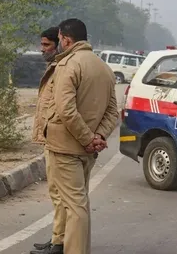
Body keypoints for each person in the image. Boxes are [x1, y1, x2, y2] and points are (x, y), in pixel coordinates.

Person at [41, 18, 119, 254]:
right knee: (78, 202)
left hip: (66, 147)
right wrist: (97, 136)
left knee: (74, 205)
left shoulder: (68, 65)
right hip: (87, 150)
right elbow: (112, 111)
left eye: (60, 40)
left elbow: (65, 109)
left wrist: (87, 138)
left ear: (65, 39)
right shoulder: (103, 67)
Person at [30, 26, 66, 254]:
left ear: (59, 44)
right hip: (50, 136)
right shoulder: (53, 67)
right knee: (56, 192)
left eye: (46, 45)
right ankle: (57, 237)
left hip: (58, 138)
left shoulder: (62, 69)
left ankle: (59, 243)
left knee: (59, 192)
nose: (42, 49)